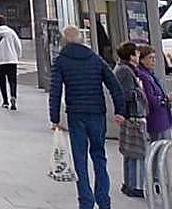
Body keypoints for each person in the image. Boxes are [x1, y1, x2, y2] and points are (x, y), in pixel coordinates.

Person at [49, 25, 128, 209]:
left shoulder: (61, 60)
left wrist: (55, 118)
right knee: (99, 155)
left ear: (64, 41)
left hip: (76, 113)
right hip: (97, 112)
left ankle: (85, 200)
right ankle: (103, 199)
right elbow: (114, 84)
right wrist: (120, 110)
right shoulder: (95, 58)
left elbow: (55, 90)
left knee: (80, 158)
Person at [114, 42, 148, 199]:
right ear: (131, 56)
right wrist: (138, 91)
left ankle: (129, 183)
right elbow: (127, 94)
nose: (139, 56)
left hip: (129, 115)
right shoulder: (126, 71)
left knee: (130, 152)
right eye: (137, 54)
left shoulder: (124, 69)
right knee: (136, 153)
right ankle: (134, 185)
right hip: (133, 116)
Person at [134, 45, 172, 142]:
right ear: (141, 60)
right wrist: (167, 98)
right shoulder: (143, 76)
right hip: (155, 121)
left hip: (161, 119)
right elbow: (150, 100)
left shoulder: (150, 74)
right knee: (157, 148)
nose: (153, 60)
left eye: (154, 57)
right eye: (150, 58)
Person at [0, 13, 23, 110]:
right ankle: (13, 96)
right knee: (12, 80)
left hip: (0, 61)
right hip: (11, 59)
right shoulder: (11, 32)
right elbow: (18, 45)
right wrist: (17, 56)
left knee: (2, 81)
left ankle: (5, 101)